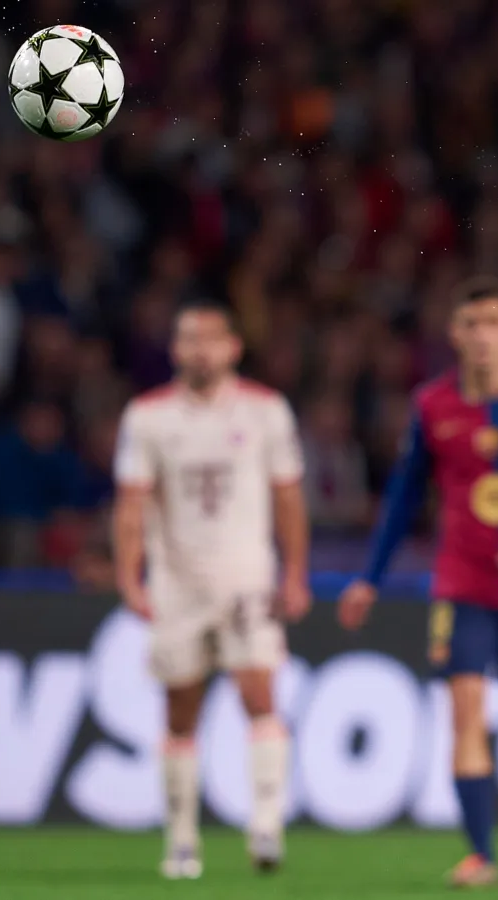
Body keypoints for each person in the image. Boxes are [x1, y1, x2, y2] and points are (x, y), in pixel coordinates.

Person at [337, 277, 498, 889]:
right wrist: (369, 578)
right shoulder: (432, 404)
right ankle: (482, 854)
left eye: (492, 323)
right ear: (455, 334)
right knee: (464, 713)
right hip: (460, 582)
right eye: (470, 324)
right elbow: (401, 498)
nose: (481, 336)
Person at [112, 299, 311, 879]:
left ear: (232, 347)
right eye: (188, 340)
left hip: (247, 580)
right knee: (180, 713)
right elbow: (130, 506)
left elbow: (289, 496)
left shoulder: (265, 410)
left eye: (210, 339)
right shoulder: (147, 416)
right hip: (176, 584)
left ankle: (266, 827)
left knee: (259, 696)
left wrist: (294, 572)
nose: (200, 350)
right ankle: (180, 839)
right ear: (175, 350)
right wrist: (130, 575)